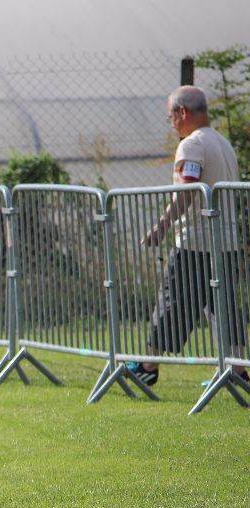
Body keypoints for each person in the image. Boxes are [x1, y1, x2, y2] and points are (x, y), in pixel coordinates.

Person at [131, 85, 248, 386]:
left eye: (170, 116)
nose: (171, 123)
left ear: (182, 112)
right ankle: (237, 369)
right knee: (220, 305)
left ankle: (148, 366)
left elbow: (188, 191)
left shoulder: (192, 145)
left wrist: (161, 225)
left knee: (173, 300)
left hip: (197, 241)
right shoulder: (222, 142)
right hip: (226, 241)